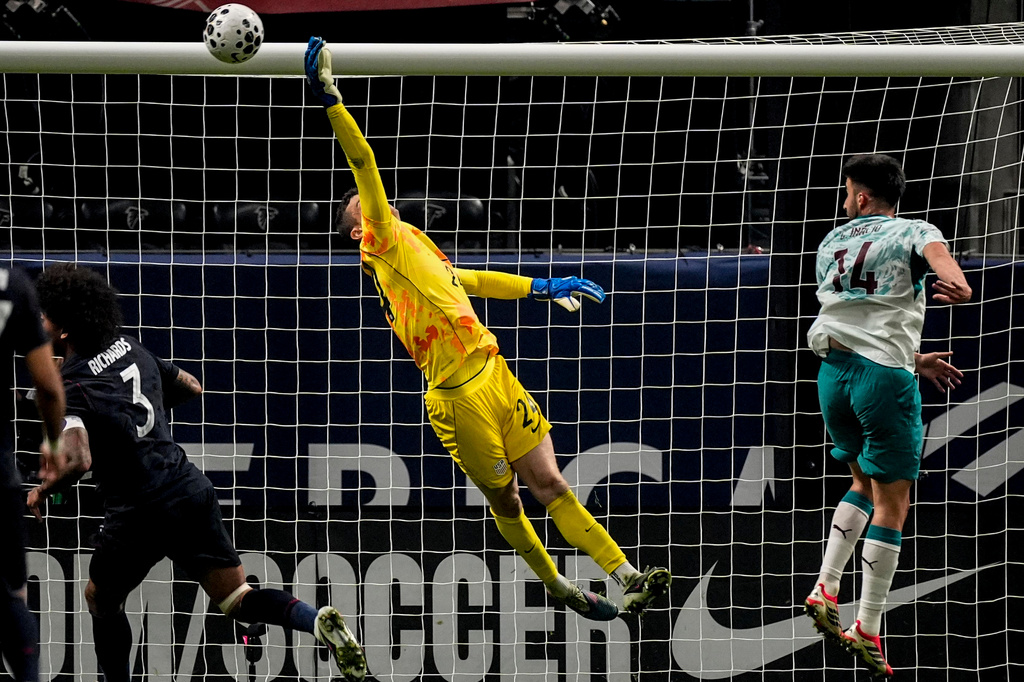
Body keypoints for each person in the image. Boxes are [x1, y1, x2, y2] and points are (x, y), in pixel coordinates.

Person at [304, 37, 670, 620]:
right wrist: (330, 99)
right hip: (455, 400)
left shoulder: (414, 245)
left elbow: (470, 278)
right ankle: (556, 585)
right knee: (507, 498)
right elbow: (363, 163)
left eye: (369, 204)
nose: (372, 204)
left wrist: (543, 287)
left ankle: (627, 574)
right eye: (359, 208)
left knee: (550, 482)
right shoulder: (381, 242)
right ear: (357, 233)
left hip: (495, 374)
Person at [27, 264, 368, 682]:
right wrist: (138, 415)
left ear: (63, 330)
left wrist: (45, 489)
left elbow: (78, 460)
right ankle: (316, 622)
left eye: (44, 316)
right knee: (237, 598)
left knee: (100, 601)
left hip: (138, 511)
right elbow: (192, 386)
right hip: (188, 488)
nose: (38, 322)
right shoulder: (130, 347)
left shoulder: (71, 384)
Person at [803, 154, 972, 677]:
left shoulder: (831, 241)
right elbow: (949, 273)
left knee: (862, 482)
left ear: (861, 197)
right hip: (882, 380)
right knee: (893, 502)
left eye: (848, 189)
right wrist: (960, 286)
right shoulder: (916, 230)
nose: (845, 197)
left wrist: (915, 358)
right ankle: (868, 625)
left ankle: (825, 588)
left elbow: (856, 313)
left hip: (833, 374)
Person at [0, 264, 66, 682]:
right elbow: (48, 387)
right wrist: (53, 443)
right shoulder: (13, 287)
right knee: (11, 597)